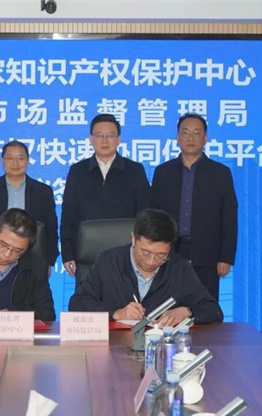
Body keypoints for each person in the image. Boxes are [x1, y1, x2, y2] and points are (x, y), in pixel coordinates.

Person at [69, 209, 223, 326]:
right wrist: (116, 313)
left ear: (170, 248)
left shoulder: (179, 268)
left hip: (160, 349)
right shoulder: (108, 261)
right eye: (145, 252)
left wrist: (187, 311)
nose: (151, 261)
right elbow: (78, 303)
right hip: (115, 346)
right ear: (133, 239)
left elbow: (213, 310)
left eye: (161, 255)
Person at [151, 113, 238, 300]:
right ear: (178, 137)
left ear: (205, 138)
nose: (190, 138)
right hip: (169, 253)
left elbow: (229, 217)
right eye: (185, 132)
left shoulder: (220, 173)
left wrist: (226, 257)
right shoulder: (163, 172)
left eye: (197, 133)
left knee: (205, 306)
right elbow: (154, 216)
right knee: (167, 305)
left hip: (207, 254)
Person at [61, 113, 151, 279]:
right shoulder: (78, 171)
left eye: (110, 135)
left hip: (126, 254)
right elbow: (69, 214)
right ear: (91, 139)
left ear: (119, 139)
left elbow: (144, 212)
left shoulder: (134, 170)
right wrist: (67, 253)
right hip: (87, 254)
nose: (104, 141)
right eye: (99, 135)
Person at [0, 140, 59, 273]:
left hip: (32, 256)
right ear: (2, 160)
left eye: (20, 158)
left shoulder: (43, 191)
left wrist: (49, 261)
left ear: (28, 160)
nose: (15, 163)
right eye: (10, 158)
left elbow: (51, 229)